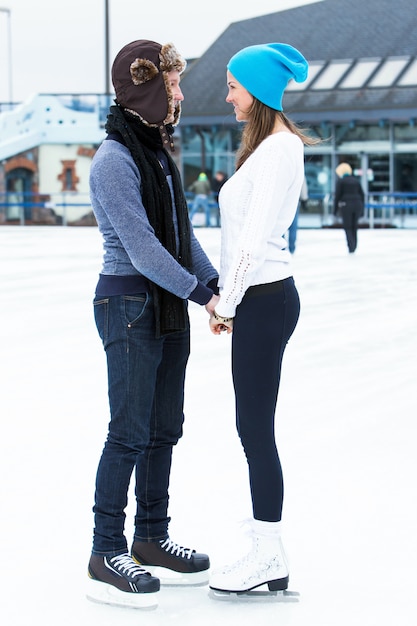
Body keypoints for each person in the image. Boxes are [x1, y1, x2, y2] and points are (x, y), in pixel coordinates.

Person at [87, 39, 220, 609]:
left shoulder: (161, 152)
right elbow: (142, 249)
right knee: (129, 431)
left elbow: (183, 240)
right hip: (129, 304)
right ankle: (105, 548)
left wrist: (219, 289)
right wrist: (201, 296)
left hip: (164, 304)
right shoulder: (113, 159)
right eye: (172, 85)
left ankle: (150, 535)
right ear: (145, 89)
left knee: (165, 427)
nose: (180, 95)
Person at [207, 42, 318, 595]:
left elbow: (252, 239)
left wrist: (227, 304)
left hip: (264, 296)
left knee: (255, 427)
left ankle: (269, 551)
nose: (227, 96)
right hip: (259, 296)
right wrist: (229, 299)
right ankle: (265, 547)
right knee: (252, 425)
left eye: (232, 86)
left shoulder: (279, 150)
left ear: (256, 89)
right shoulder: (268, 147)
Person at [334, 162, 365, 253]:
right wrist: (362, 208)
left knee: (347, 226)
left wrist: (335, 210)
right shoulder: (356, 180)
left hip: (346, 205)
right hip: (357, 204)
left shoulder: (341, 182)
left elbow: (337, 196)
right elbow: (362, 194)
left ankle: (351, 245)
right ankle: (354, 244)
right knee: (354, 225)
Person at [288, 175, 308, 253]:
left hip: (281, 200)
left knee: (280, 223)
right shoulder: (298, 167)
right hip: (294, 200)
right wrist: (304, 199)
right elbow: (303, 185)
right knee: (293, 224)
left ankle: (280, 247)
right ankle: (292, 247)